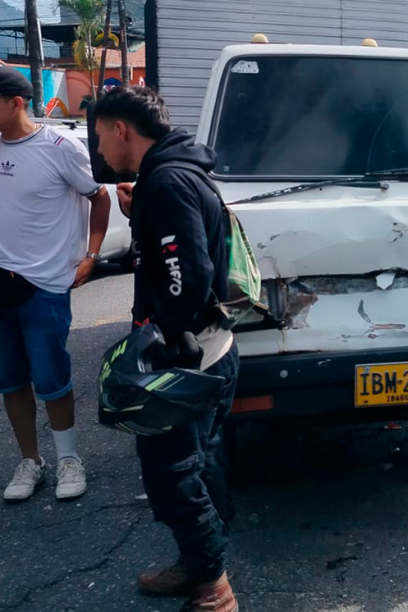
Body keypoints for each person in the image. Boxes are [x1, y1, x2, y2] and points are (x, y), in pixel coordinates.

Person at [93, 86, 240, 612]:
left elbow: (189, 275)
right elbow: (177, 255)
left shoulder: (168, 182)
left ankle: (213, 588)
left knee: (172, 474)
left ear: (123, 130)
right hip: (212, 346)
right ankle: (200, 563)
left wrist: (161, 339)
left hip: (189, 355)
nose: (101, 150)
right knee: (200, 463)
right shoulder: (177, 174)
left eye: (101, 136)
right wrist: (141, 216)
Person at [0, 67, 111, 502]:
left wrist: (92, 254)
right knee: (10, 381)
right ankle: (31, 460)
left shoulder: (59, 147)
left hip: (45, 284)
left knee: (51, 378)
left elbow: (98, 196)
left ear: (16, 103)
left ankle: (68, 458)